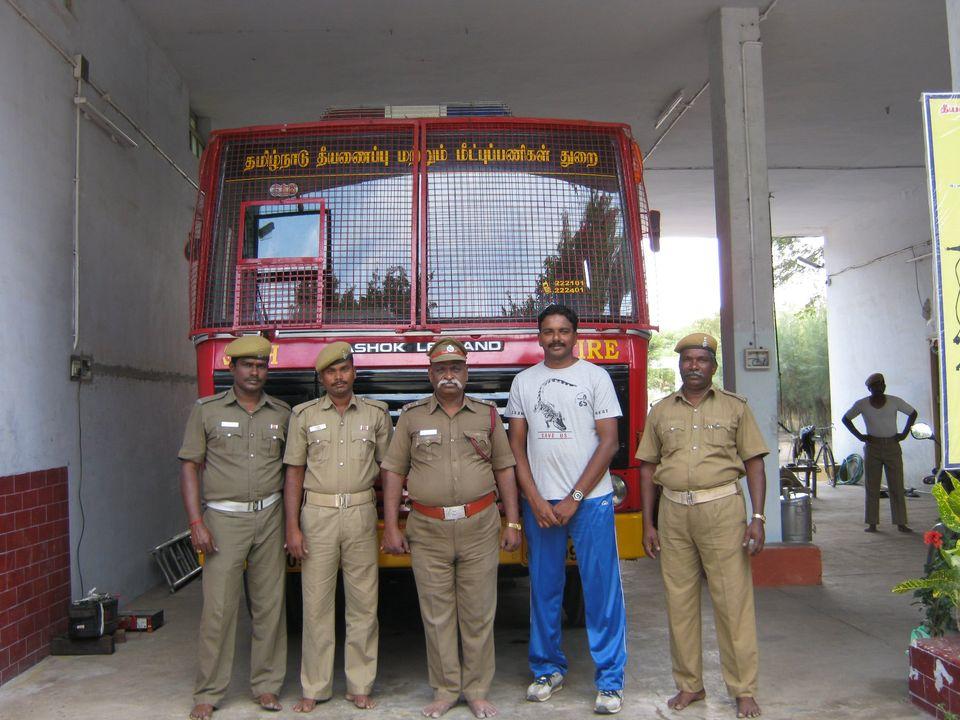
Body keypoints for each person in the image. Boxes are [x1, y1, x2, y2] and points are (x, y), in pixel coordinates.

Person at [380, 339, 522, 719]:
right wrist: (391, 526)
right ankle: (445, 690)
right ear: (430, 375)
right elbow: (393, 471)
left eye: (455, 368)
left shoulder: (487, 415)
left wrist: (512, 521)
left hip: (479, 526)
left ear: (466, 373)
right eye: (441, 369)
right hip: (427, 529)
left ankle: (476, 690)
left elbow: (504, 468)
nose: (449, 375)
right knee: (436, 614)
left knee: (478, 613)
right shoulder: (411, 417)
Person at [636, 332, 766, 719]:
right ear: (680, 365)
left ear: (713, 366)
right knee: (679, 602)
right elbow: (647, 468)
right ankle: (689, 684)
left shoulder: (735, 408)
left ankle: (743, 689)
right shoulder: (661, 411)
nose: (693, 366)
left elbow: (754, 463)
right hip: (674, 512)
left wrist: (758, 517)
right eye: (687, 360)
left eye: (701, 360)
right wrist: (648, 523)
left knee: (732, 602)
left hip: (722, 509)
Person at [505, 304, 626, 716]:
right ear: (539, 337)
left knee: (601, 590)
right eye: (548, 331)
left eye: (563, 330)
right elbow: (516, 447)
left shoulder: (596, 378)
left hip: (590, 502)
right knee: (544, 589)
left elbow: (609, 442)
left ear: (576, 335)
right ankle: (547, 669)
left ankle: (609, 680)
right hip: (541, 506)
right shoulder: (524, 382)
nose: (556, 337)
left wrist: (575, 496)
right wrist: (536, 500)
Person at [178, 336, 291, 720]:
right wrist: (196, 521)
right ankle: (208, 692)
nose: (255, 372)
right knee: (219, 609)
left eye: (261, 365)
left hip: (271, 516)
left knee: (270, 606)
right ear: (232, 368)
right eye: (247, 365)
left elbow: (292, 470)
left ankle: (267, 685)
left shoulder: (281, 413)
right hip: (223, 520)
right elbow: (190, 466)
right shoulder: (207, 411)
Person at [282, 342, 393, 711]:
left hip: (361, 512)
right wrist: (292, 527)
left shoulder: (376, 414)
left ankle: (360, 684)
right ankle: (314, 686)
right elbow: (294, 474)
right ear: (321, 378)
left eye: (344, 369)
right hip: (318, 515)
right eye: (331, 372)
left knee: (364, 604)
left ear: (354, 372)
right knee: (316, 605)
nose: (339, 377)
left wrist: (391, 520)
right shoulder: (303, 415)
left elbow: (389, 470)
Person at [841, 372, 917, 533]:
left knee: (897, 485)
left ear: (884, 386)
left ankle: (901, 523)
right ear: (869, 388)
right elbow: (846, 419)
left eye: (881, 384)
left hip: (892, 446)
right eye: (875, 386)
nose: (879, 388)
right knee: (872, 486)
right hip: (872, 447)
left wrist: (904, 434)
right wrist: (860, 436)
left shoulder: (894, 401)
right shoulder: (862, 404)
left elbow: (912, 413)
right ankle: (872, 523)